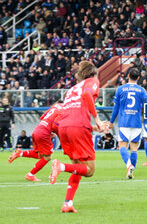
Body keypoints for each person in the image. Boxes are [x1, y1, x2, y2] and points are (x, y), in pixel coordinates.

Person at [49, 61, 105, 213]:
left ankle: (67, 203)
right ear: (93, 74)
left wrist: (92, 127)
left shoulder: (72, 89)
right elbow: (87, 94)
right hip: (77, 127)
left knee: (78, 168)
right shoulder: (93, 81)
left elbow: (72, 111)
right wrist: (97, 120)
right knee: (89, 170)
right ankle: (60, 166)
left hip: (64, 127)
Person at [8, 101, 63, 182]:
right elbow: (56, 125)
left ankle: (20, 153)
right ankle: (30, 175)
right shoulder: (64, 109)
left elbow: (42, 117)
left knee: (40, 155)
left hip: (37, 129)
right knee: (48, 157)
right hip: (44, 133)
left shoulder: (55, 106)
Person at [108, 68, 147, 179]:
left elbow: (116, 107)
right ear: (138, 78)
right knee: (134, 148)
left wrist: (111, 121)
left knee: (122, 146)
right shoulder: (142, 90)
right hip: (136, 122)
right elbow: (146, 107)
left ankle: (128, 165)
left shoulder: (120, 89)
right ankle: (131, 171)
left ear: (128, 76)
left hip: (124, 122)